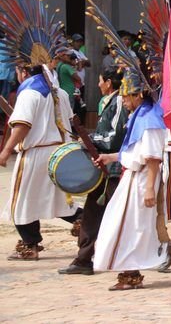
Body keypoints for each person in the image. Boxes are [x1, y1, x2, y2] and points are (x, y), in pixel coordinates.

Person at [92, 70, 171, 290]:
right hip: (135, 177)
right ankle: (169, 254)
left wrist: (148, 189)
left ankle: (132, 273)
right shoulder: (141, 116)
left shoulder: (149, 118)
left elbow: (153, 157)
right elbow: (137, 151)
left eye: (126, 97)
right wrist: (112, 157)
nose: (124, 101)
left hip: (142, 180)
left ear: (137, 95)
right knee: (129, 226)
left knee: (131, 227)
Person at [0, 65, 82, 260]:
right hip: (59, 153)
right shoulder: (59, 92)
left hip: (35, 154)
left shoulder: (29, 93)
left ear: (25, 72)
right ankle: (85, 220)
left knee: (20, 201)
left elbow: (22, 125)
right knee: (59, 199)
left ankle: (31, 244)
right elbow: (71, 120)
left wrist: (5, 151)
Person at [59, 67, 129, 275]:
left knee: (122, 216)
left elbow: (115, 138)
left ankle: (167, 250)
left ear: (108, 82)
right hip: (105, 167)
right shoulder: (110, 102)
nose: (98, 84)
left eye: (100, 81)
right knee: (93, 213)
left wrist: (90, 140)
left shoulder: (118, 101)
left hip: (115, 169)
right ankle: (83, 258)